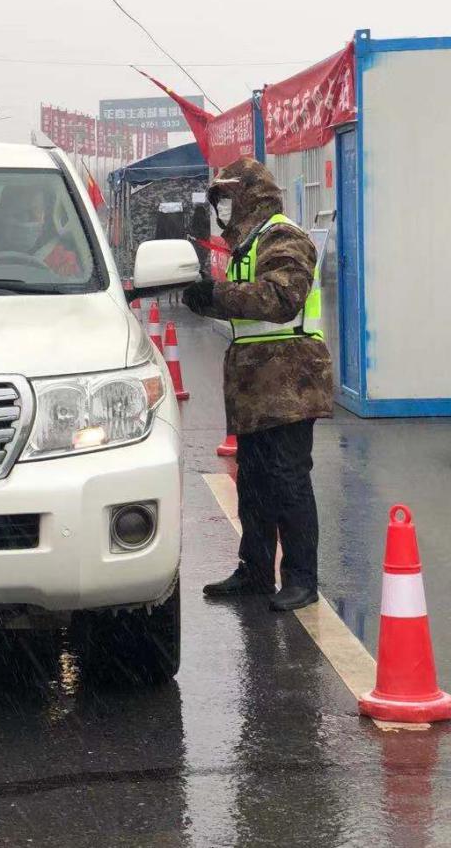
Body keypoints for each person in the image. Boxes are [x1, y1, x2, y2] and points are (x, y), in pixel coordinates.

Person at [181, 158, 332, 612]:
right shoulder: (249, 245)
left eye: (230, 198)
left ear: (252, 196)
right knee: (255, 482)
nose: (224, 209)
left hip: (290, 381)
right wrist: (205, 298)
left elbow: (280, 298)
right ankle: (255, 571)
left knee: (288, 480)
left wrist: (216, 294)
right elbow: (245, 310)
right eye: (220, 201)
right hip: (255, 386)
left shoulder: (283, 237)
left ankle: (301, 579)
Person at [0, 185, 80, 277]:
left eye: (33, 212)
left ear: (44, 216)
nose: (26, 220)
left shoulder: (61, 258)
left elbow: (73, 296)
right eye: (18, 213)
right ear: (3, 215)